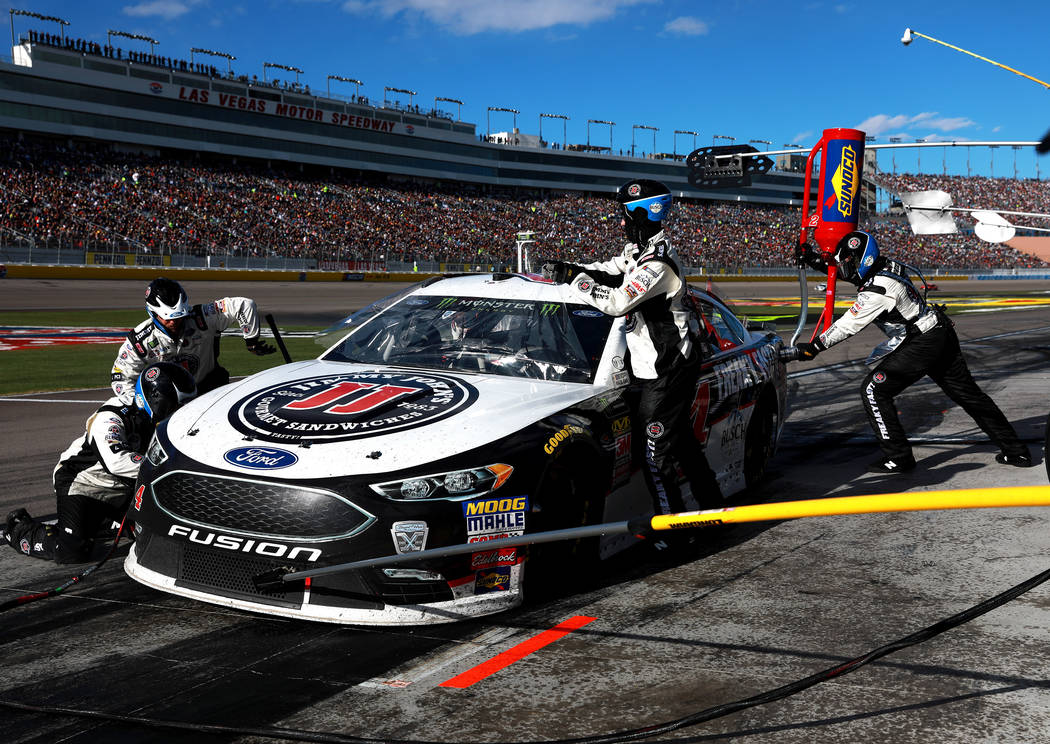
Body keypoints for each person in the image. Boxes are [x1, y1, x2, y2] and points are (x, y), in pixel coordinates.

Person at [543, 179, 720, 518]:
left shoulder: (658, 264)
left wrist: (575, 281)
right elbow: (610, 272)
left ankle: (674, 532)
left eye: (625, 215)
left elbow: (617, 302)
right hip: (656, 367)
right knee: (680, 441)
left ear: (641, 214)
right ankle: (713, 509)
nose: (621, 223)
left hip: (666, 369)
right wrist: (571, 269)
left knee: (655, 454)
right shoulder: (638, 252)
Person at [794, 230, 1032, 473]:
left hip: (923, 342)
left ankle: (898, 457)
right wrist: (815, 260)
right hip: (938, 331)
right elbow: (854, 276)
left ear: (864, 261)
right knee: (970, 396)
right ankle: (1017, 452)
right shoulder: (886, 265)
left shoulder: (878, 291)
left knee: (873, 390)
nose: (845, 268)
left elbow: (848, 325)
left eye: (849, 262)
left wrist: (814, 347)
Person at [3, 362, 197, 562]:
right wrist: (166, 466)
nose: (177, 412)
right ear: (155, 398)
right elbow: (116, 461)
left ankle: (102, 522)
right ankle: (18, 529)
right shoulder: (112, 416)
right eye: (173, 405)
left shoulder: (164, 422)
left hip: (124, 485)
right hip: (82, 482)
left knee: (153, 533)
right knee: (71, 552)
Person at [110, 277, 275, 404]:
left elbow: (244, 305)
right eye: (167, 319)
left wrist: (251, 340)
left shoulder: (202, 316)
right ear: (152, 313)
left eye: (179, 317)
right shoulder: (140, 340)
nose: (174, 322)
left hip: (210, 391)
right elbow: (120, 377)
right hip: (168, 400)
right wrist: (143, 404)